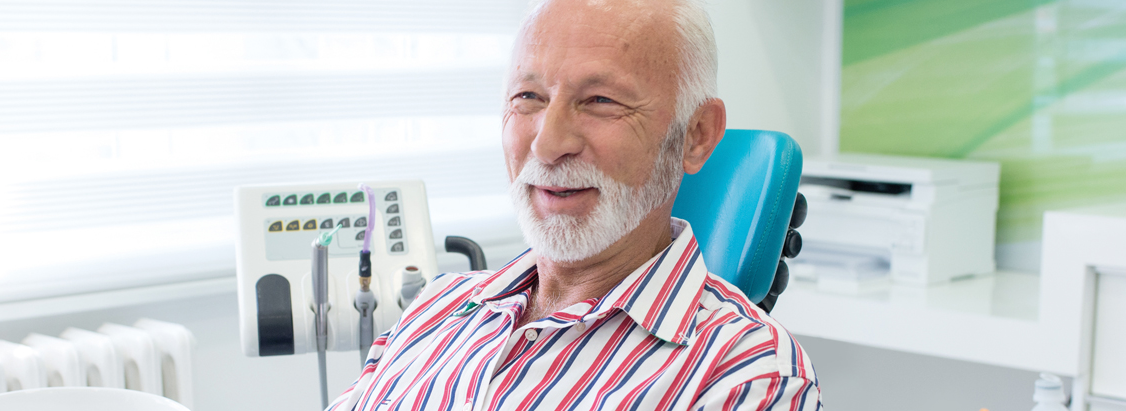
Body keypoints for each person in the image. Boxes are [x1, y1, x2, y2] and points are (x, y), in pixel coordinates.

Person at [327, 0, 821, 409]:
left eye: (601, 100)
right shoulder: (438, 307)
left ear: (696, 135)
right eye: (528, 97)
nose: (547, 145)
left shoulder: (749, 373)